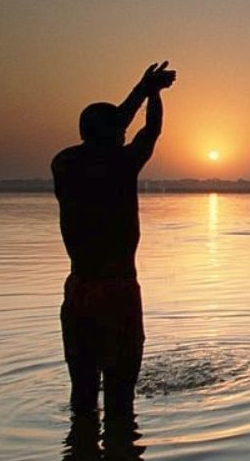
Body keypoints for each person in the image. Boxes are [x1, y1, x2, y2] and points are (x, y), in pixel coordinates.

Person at [52, 61, 176, 416]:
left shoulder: (64, 163)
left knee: (83, 395)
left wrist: (141, 89)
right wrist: (151, 94)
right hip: (118, 291)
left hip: (78, 290)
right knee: (120, 400)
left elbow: (112, 126)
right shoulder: (122, 164)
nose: (124, 132)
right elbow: (150, 130)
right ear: (112, 134)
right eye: (119, 130)